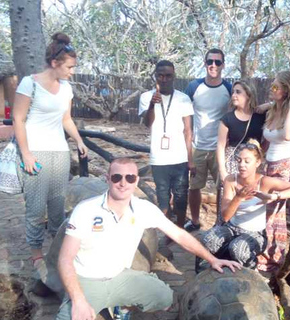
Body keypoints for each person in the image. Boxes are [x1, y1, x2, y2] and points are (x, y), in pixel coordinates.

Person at [56, 158, 241, 320]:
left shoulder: (143, 208)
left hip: (120, 276)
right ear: (108, 179)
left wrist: (212, 259)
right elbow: (65, 259)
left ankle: (121, 308)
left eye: (129, 178)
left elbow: (179, 235)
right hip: (89, 281)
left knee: (165, 298)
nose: (123, 183)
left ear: (136, 181)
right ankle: (79, 300)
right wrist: (79, 300)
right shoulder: (86, 209)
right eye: (116, 177)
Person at [12, 32, 88, 272]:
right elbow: (18, 118)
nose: (72, 71)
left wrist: (78, 140)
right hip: (35, 152)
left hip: (59, 153)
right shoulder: (30, 83)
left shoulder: (66, 89)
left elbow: (66, 118)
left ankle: (57, 252)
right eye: (69, 67)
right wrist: (26, 154)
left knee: (57, 206)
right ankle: (36, 253)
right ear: (55, 63)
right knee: (35, 207)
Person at [202, 140, 290, 269]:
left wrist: (274, 196)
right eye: (239, 160)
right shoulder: (231, 180)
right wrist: (238, 197)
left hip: (255, 234)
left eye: (247, 161)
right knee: (209, 240)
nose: (242, 165)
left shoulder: (264, 182)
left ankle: (251, 273)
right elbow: (225, 217)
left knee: (238, 249)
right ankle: (209, 272)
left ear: (257, 163)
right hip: (232, 227)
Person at [257, 71, 290, 272]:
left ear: (287, 91)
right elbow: (267, 136)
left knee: (275, 212)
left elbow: (287, 135)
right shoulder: (273, 109)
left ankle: (273, 258)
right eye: (272, 85)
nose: (272, 89)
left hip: (287, 164)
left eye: (276, 87)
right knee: (268, 211)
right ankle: (267, 254)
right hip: (271, 165)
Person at [139, 60, 193, 228]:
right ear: (155, 76)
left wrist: (190, 160)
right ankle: (168, 229)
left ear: (174, 76)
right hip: (159, 157)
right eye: (160, 75)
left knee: (181, 196)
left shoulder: (183, 98)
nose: (164, 79)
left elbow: (188, 130)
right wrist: (152, 106)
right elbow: (148, 123)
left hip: (180, 157)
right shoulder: (146, 97)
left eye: (168, 76)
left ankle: (180, 228)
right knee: (162, 196)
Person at [184, 48, 232, 232]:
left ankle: (221, 223)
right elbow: (183, 115)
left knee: (223, 186)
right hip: (197, 146)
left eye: (217, 62)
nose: (213, 65)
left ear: (223, 65)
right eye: (210, 61)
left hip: (219, 147)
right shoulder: (193, 87)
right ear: (205, 63)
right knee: (194, 187)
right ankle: (195, 221)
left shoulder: (228, 88)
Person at [216, 80, 266, 222]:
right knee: (228, 199)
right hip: (233, 162)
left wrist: (268, 105)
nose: (234, 95)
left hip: (252, 163)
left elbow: (280, 105)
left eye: (238, 92)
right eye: (233, 92)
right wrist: (223, 171)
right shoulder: (228, 118)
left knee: (251, 197)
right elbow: (220, 146)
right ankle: (223, 228)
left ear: (249, 95)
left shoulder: (260, 116)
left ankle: (248, 226)